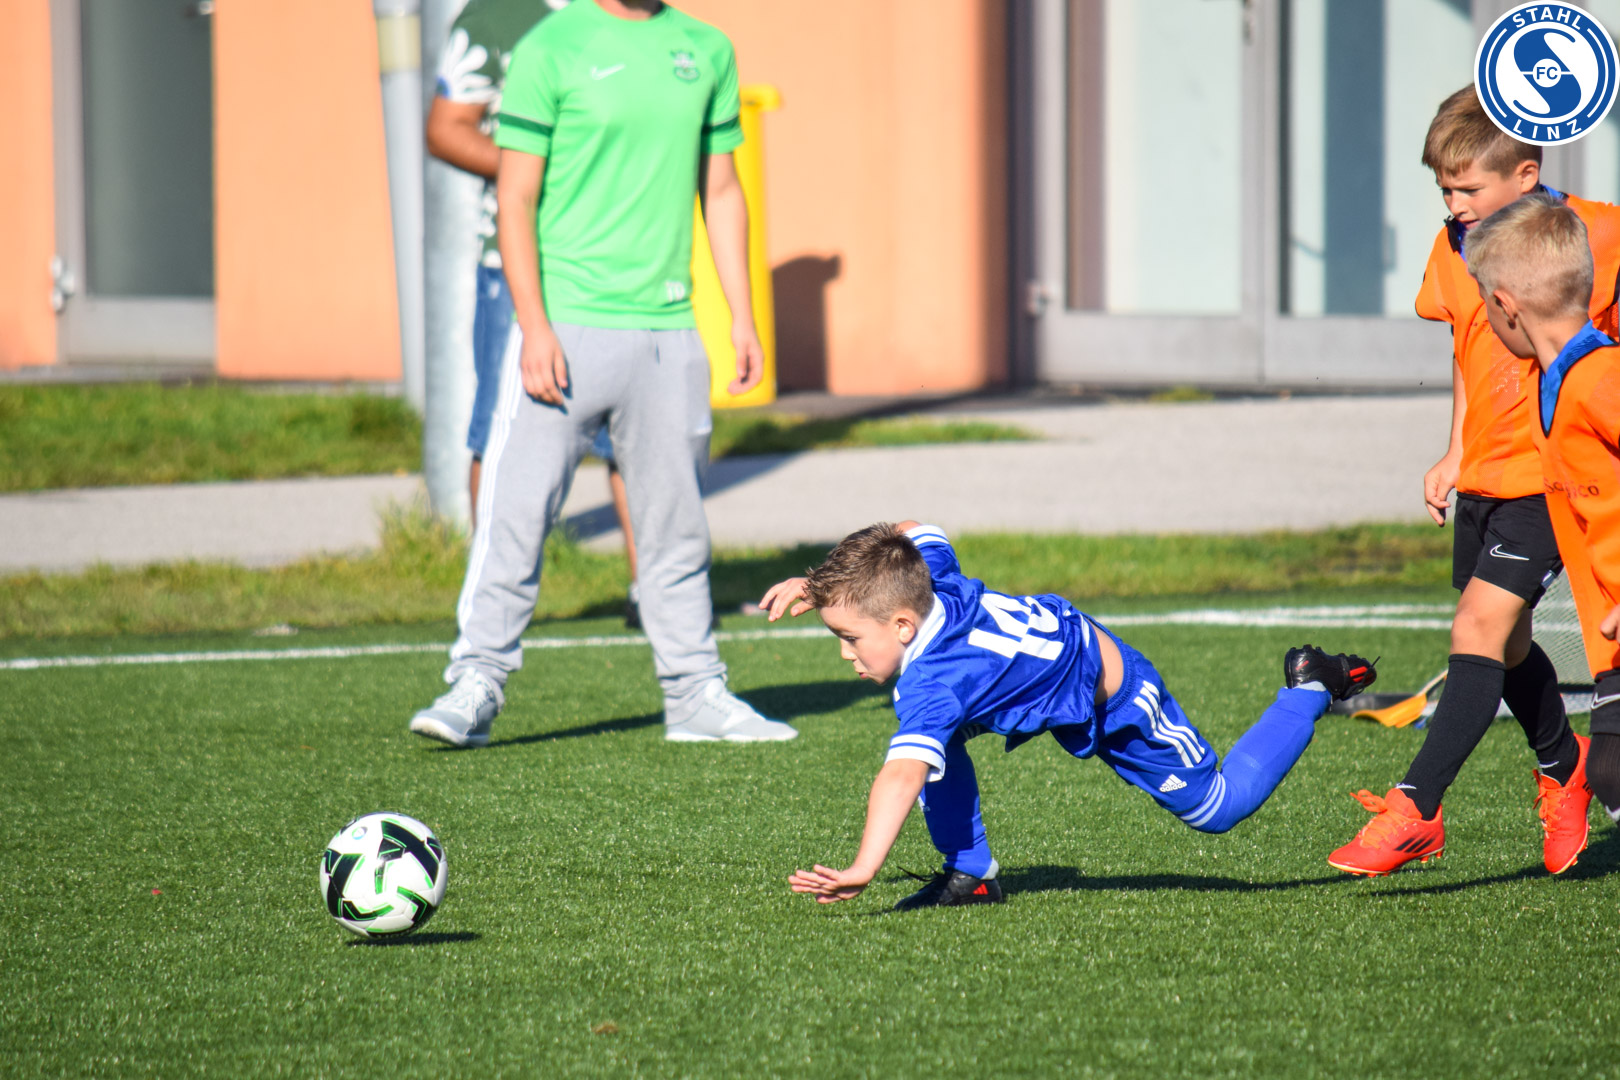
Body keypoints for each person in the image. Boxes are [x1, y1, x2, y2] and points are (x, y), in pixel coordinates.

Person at [409, 0, 795, 746]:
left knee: (676, 528)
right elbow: (515, 196)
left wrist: (741, 316)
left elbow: (720, 191)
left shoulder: (706, 49)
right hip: (564, 327)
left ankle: (694, 694)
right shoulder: (551, 46)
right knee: (516, 517)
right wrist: (535, 325)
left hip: (668, 331)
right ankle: (476, 682)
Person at [760, 522, 1376, 909]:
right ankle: (971, 874)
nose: (845, 653)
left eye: (849, 637)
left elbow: (900, 776)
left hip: (1115, 700)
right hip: (1041, 684)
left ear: (902, 624)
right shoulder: (926, 580)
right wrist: (824, 586)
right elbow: (914, 530)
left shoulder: (933, 683)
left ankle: (1310, 685)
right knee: (937, 744)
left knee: (1218, 808)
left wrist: (864, 867)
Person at [1328, 88, 1620, 877]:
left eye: (1467, 188)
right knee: (1510, 641)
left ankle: (1414, 809)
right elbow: (1466, 351)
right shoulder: (1452, 245)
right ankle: (1564, 768)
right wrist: (1454, 452)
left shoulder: (1597, 232)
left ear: (1525, 175)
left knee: (1477, 629)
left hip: (1552, 476)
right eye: (1444, 189)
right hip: (1486, 475)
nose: (1453, 205)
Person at [426, 0, 643, 627]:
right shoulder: (496, 17)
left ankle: (653, 594)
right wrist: (541, 170)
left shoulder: (643, 19)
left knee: (636, 437)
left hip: (622, 266)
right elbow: (446, 128)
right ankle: (489, 604)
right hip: (520, 265)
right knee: (501, 434)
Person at [1466, 194, 1620, 834]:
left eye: (1483, 303)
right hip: (1608, 639)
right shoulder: (1546, 383)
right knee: (1609, 773)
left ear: (1506, 307)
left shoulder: (1601, 377)